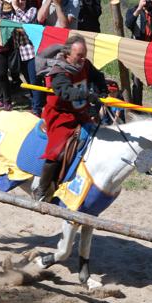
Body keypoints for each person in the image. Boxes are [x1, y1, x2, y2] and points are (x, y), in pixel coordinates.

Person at [34, 35, 108, 201]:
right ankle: (42, 189)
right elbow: (65, 92)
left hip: (81, 112)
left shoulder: (85, 65)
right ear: (68, 54)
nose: (82, 59)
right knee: (57, 151)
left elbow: (98, 76)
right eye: (79, 55)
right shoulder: (59, 72)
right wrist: (87, 94)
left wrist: (102, 90)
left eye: (84, 54)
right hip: (61, 114)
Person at [125, 0, 152, 108]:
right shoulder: (133, 10)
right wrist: (139, 9)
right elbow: (128, 24)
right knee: (137, 84)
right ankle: (137, 111)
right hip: (138, 52)